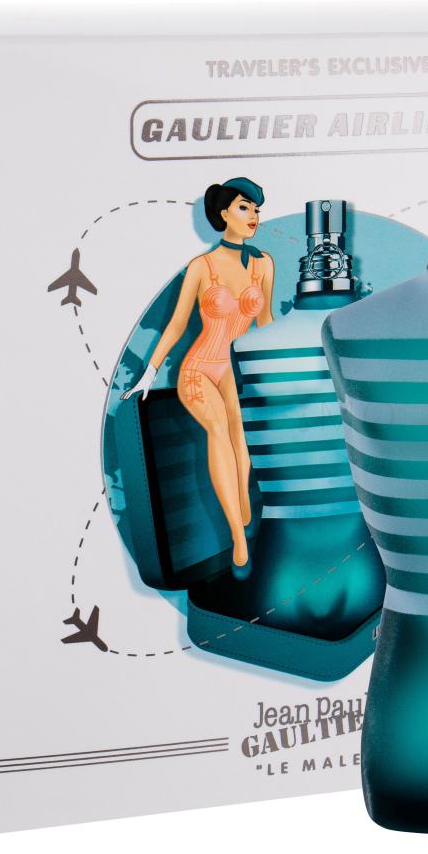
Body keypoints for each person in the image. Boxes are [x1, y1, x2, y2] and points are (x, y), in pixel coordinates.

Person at [121, 177, 275, 578]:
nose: (254, 216)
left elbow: (265, 323)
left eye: (257, 209)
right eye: (244, 208)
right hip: (199, 368)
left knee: (242, 434)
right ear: (224, 213)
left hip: (235, 369)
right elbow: (176, 325)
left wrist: (274, 372)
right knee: (219, 431)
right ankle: (237, 536)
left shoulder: (264, 263)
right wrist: (149, 373)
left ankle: (242, 507)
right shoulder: (202, 267)